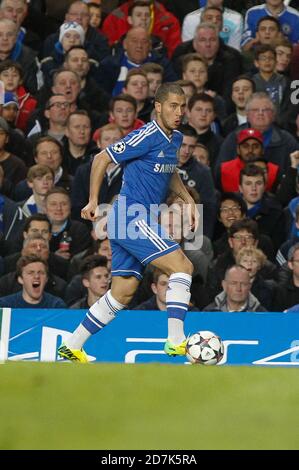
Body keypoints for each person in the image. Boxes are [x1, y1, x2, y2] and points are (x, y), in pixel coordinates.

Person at [58, 82, 197, 362]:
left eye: (182, 106)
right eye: (173, 105)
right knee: (183, 266)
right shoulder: (146, 135)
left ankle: (72, 346)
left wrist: (187, 199)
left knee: (122, 292)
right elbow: (101, 158)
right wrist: (94, 200)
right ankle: (175, 340)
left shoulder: (176, 138)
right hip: (131, 216)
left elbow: (169, 172)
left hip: (135, 219)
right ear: (158, 107)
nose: (179, 111)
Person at [0, 254, 66, 308]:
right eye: (31, 273)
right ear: (20, 279)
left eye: (41, 272)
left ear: (46, 279)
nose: (37, 276)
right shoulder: (5, 305)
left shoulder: (56, 306)